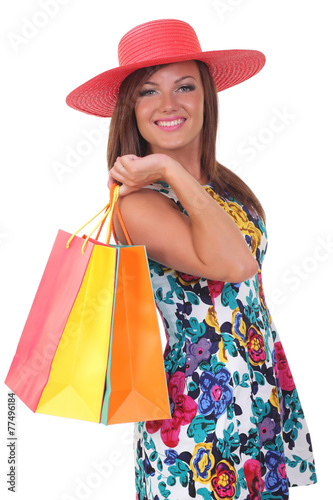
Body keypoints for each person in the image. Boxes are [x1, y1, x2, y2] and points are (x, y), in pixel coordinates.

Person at [66, 19, 317, 500]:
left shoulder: (225, 190)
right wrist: (163, 168)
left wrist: (185, 177)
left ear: (207, 97)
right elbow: (235, 265)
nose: (168, 105)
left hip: (259, 398)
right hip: (201, 416)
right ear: (130, 110)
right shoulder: (137, 205)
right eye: (147, 92)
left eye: (185, 86)